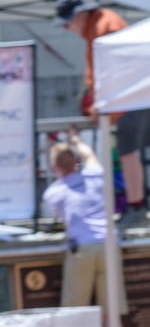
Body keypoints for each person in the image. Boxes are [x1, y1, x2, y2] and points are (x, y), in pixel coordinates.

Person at [56, 0, 150, 229]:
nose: (66, 29)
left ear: (79, 16)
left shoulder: (103, 27)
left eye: (66, 23)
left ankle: (136, 207)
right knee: (129, 154)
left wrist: (101, 102)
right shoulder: (102, 23)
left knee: (128, 153)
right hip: (133, 95)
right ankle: (136, 205)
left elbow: (113, 69)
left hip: (129, 97)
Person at [42, 127, 115, 315]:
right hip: (109, 244)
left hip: (82, 247)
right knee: (111, 314)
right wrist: (75, 138)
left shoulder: (53, 193)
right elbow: (89, 154)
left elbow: (62, 217)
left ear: (53, 167)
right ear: (77, 161)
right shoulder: (96, 175)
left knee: (76, 313)